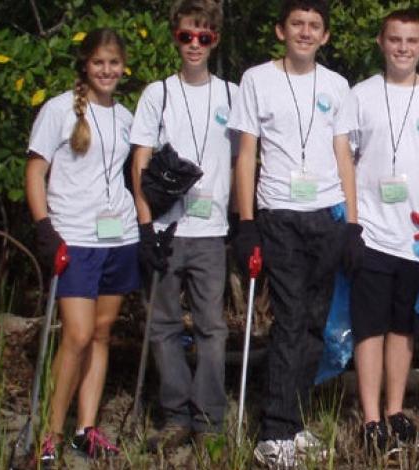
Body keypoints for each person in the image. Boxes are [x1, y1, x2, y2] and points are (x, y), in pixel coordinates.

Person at [227, 0, 359, 466]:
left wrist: (353, 224)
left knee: (314, 324)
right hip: (278, 213)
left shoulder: (338, 85)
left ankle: (296, 421)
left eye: (315, 26)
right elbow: (246, 154)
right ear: (281, 31)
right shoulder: (256, 80)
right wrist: (245, 224)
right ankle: (274, 432)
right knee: (289, 319)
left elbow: (345, 155)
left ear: (325, 37)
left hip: (325, 214)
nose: (305, 32)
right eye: (297, 24)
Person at [347, 9, 419, 455]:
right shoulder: (361, 95)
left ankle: (395, 411)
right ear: (381, 42)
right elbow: (347, 162)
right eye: (394, 39)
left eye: (411, 40)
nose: (402, 47)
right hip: (373, 233)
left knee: (402, 329)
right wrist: (352, 225)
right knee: (369, 328)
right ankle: (371, 419)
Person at [127, 0, 239, 453]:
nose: (194, 45)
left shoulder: (231, 94)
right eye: (186, 36)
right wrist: (145, 226)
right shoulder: (159, 93)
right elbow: (140, 160)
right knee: (164, 325)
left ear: (214, 40)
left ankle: (209, 416)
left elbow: (243, 159)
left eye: (204, 37)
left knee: (213, 326)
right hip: (167, 229)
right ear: (175, 37)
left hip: (211, 231)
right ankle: (175, 413)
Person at [24, 28, 136, 466]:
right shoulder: (57, 110)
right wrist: (44, 228)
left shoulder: (126, 115)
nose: (106, 71)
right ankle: (49, 433)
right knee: (77, 334)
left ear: (123, 67)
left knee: (103, 333)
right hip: (75, 235)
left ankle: (85, 429)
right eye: (98, 62)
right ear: (85, 65)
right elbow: (35, 172)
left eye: (114, 63)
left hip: (120, 235)